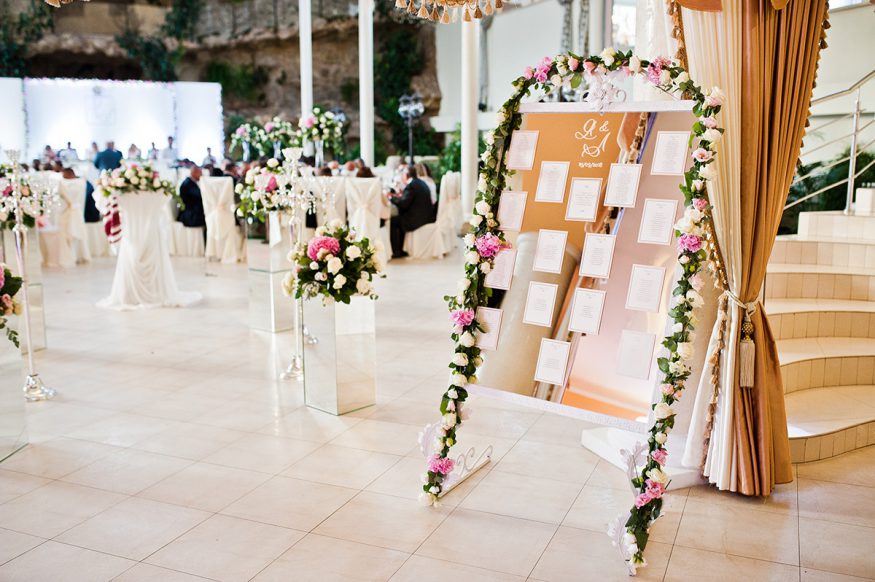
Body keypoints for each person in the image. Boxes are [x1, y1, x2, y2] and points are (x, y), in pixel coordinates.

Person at [389, 165, 434, 259]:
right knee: (397, 219)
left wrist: (390, 197)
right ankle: (400, 249)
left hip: (416, 219)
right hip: (425, 216)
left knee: (392, 221)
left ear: (406, 175)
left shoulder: (412, 185)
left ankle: (397, 251)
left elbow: (403, 204)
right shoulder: (420, 182)